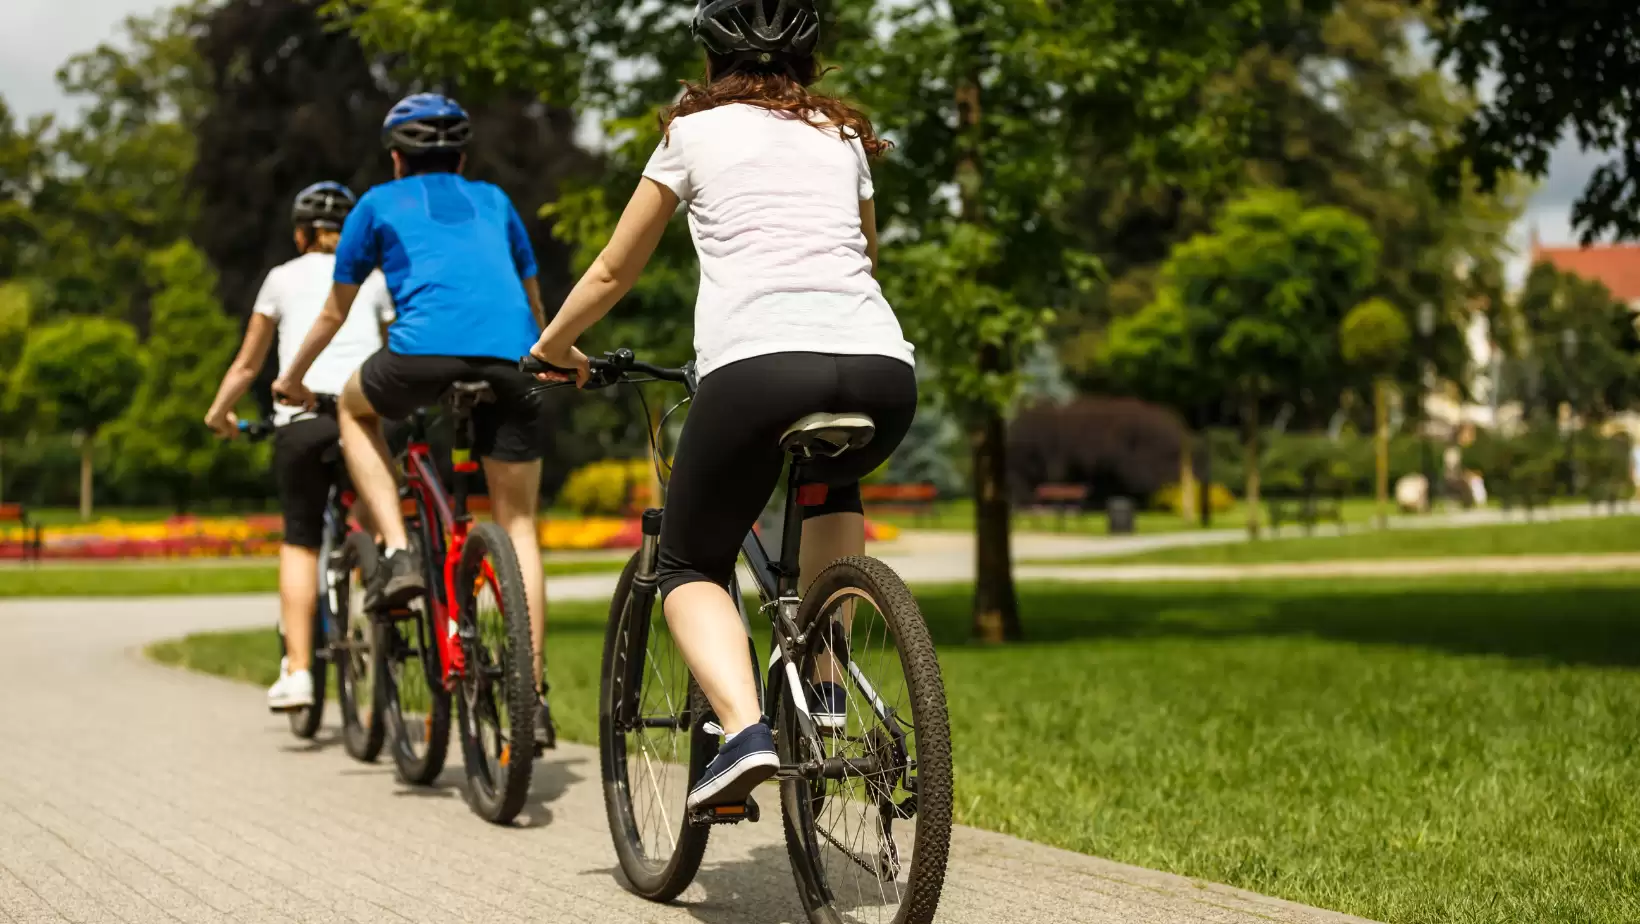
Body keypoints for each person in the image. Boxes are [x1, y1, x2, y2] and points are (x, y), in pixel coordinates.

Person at [528, 0, 916, 809]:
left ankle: (743, 733)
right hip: (882, 369)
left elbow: (611, 271)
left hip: (758, 369)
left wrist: (552, 348)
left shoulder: (691, 134)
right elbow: (866, 256)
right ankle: (826, 684)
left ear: (711, 62)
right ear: (811, 62)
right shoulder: (841, 138)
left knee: (689, 560)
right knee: (830, 485)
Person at [269, 93, 558, 749]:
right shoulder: (495, 201)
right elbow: (535, 300)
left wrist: (291, 379)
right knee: (520, 526)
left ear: (396, 158)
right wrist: (546, 360)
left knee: (352, 405)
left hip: (419, 358)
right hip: (513, 358)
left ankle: (399, 551)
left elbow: (333, 316)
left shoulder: (374, 204)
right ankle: (531, 699)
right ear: (463, 156)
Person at [204, 181, 396, 711]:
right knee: (383, 522)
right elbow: (397, 342)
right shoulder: (375, 278)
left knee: (301, 540)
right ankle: (398, 610)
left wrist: (220, 415)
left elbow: (248, 364)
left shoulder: (281, 278)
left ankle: (299, 672)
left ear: (300, 232)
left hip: (303, 418)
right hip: (365, 412)